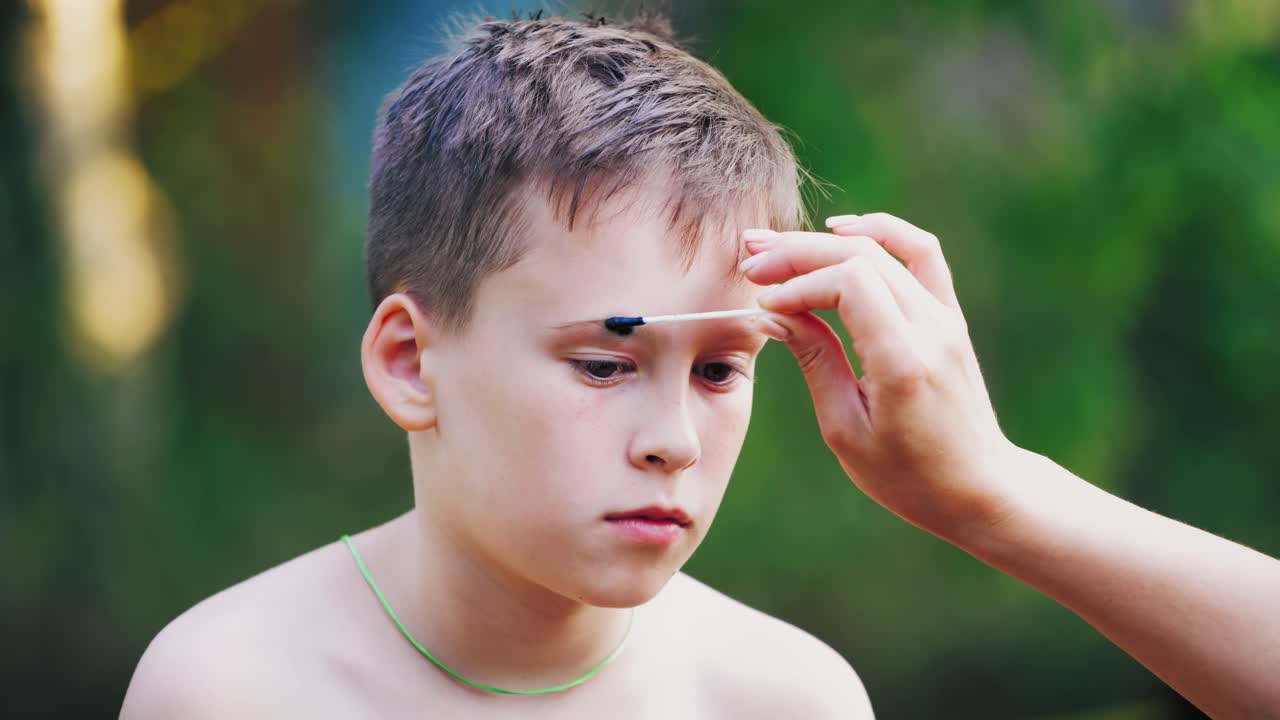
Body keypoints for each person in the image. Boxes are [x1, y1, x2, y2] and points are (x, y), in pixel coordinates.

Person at [121, 12, 873, 719]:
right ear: (411, 362)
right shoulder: (227, 691)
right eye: (603, 366)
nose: (675, 443)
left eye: (718, 371)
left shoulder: (783, 700)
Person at [738, 214, 1280, 719]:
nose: (678, 443)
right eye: (644, 358)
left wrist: (993, 486)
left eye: (716, 369)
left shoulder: (799, 696)